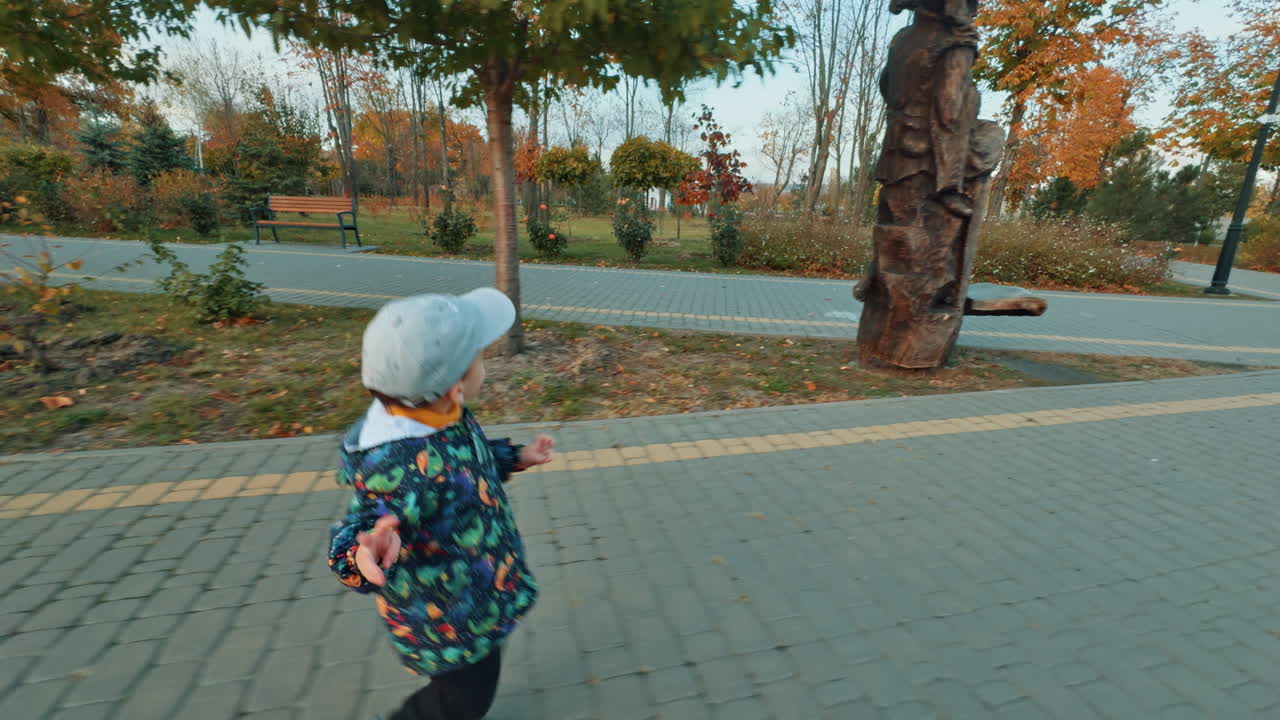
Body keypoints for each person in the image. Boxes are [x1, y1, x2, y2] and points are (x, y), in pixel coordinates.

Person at [328, 289, 555, 720]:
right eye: (480, 359)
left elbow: (464, 464)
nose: (485, 366)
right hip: (446, 617)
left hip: (476, 592)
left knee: (474, 681)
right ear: (456, 387)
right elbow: (358, 528)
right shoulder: (397, 464)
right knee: (461, 702)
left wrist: (515, 457)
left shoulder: (436, 416)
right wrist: (361, 554)